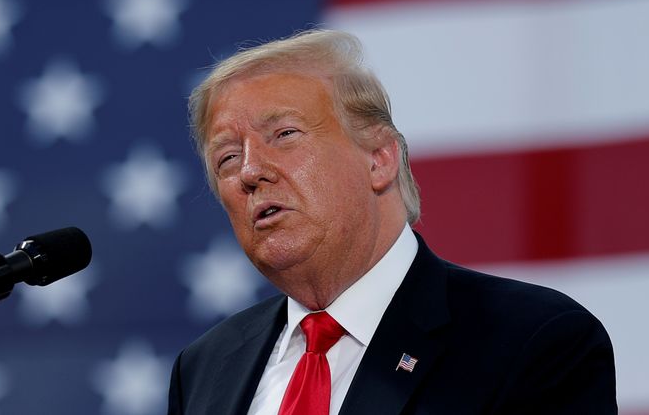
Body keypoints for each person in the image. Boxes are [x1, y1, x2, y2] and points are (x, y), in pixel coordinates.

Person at [168, 29, 616, 415]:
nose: (249, 172)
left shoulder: (532, 341)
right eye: (227, 158)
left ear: (379, 160)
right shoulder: (205, 368)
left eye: (284, 135)